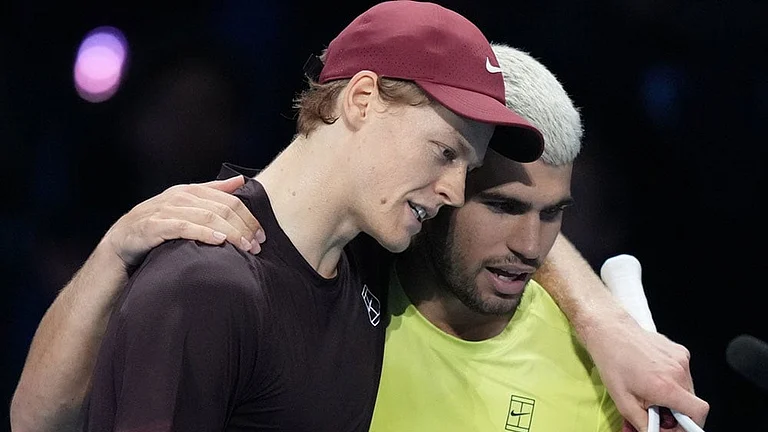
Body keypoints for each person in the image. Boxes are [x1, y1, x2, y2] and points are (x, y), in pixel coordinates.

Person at [10, 6, 709, 432]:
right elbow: (37, 423)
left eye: (467, 167)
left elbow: (516, 236)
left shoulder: (372, 251)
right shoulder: (208, 279)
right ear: (363, 100)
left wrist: (606, 323)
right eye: (443, 153)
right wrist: (112, 256)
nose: (451, 189)